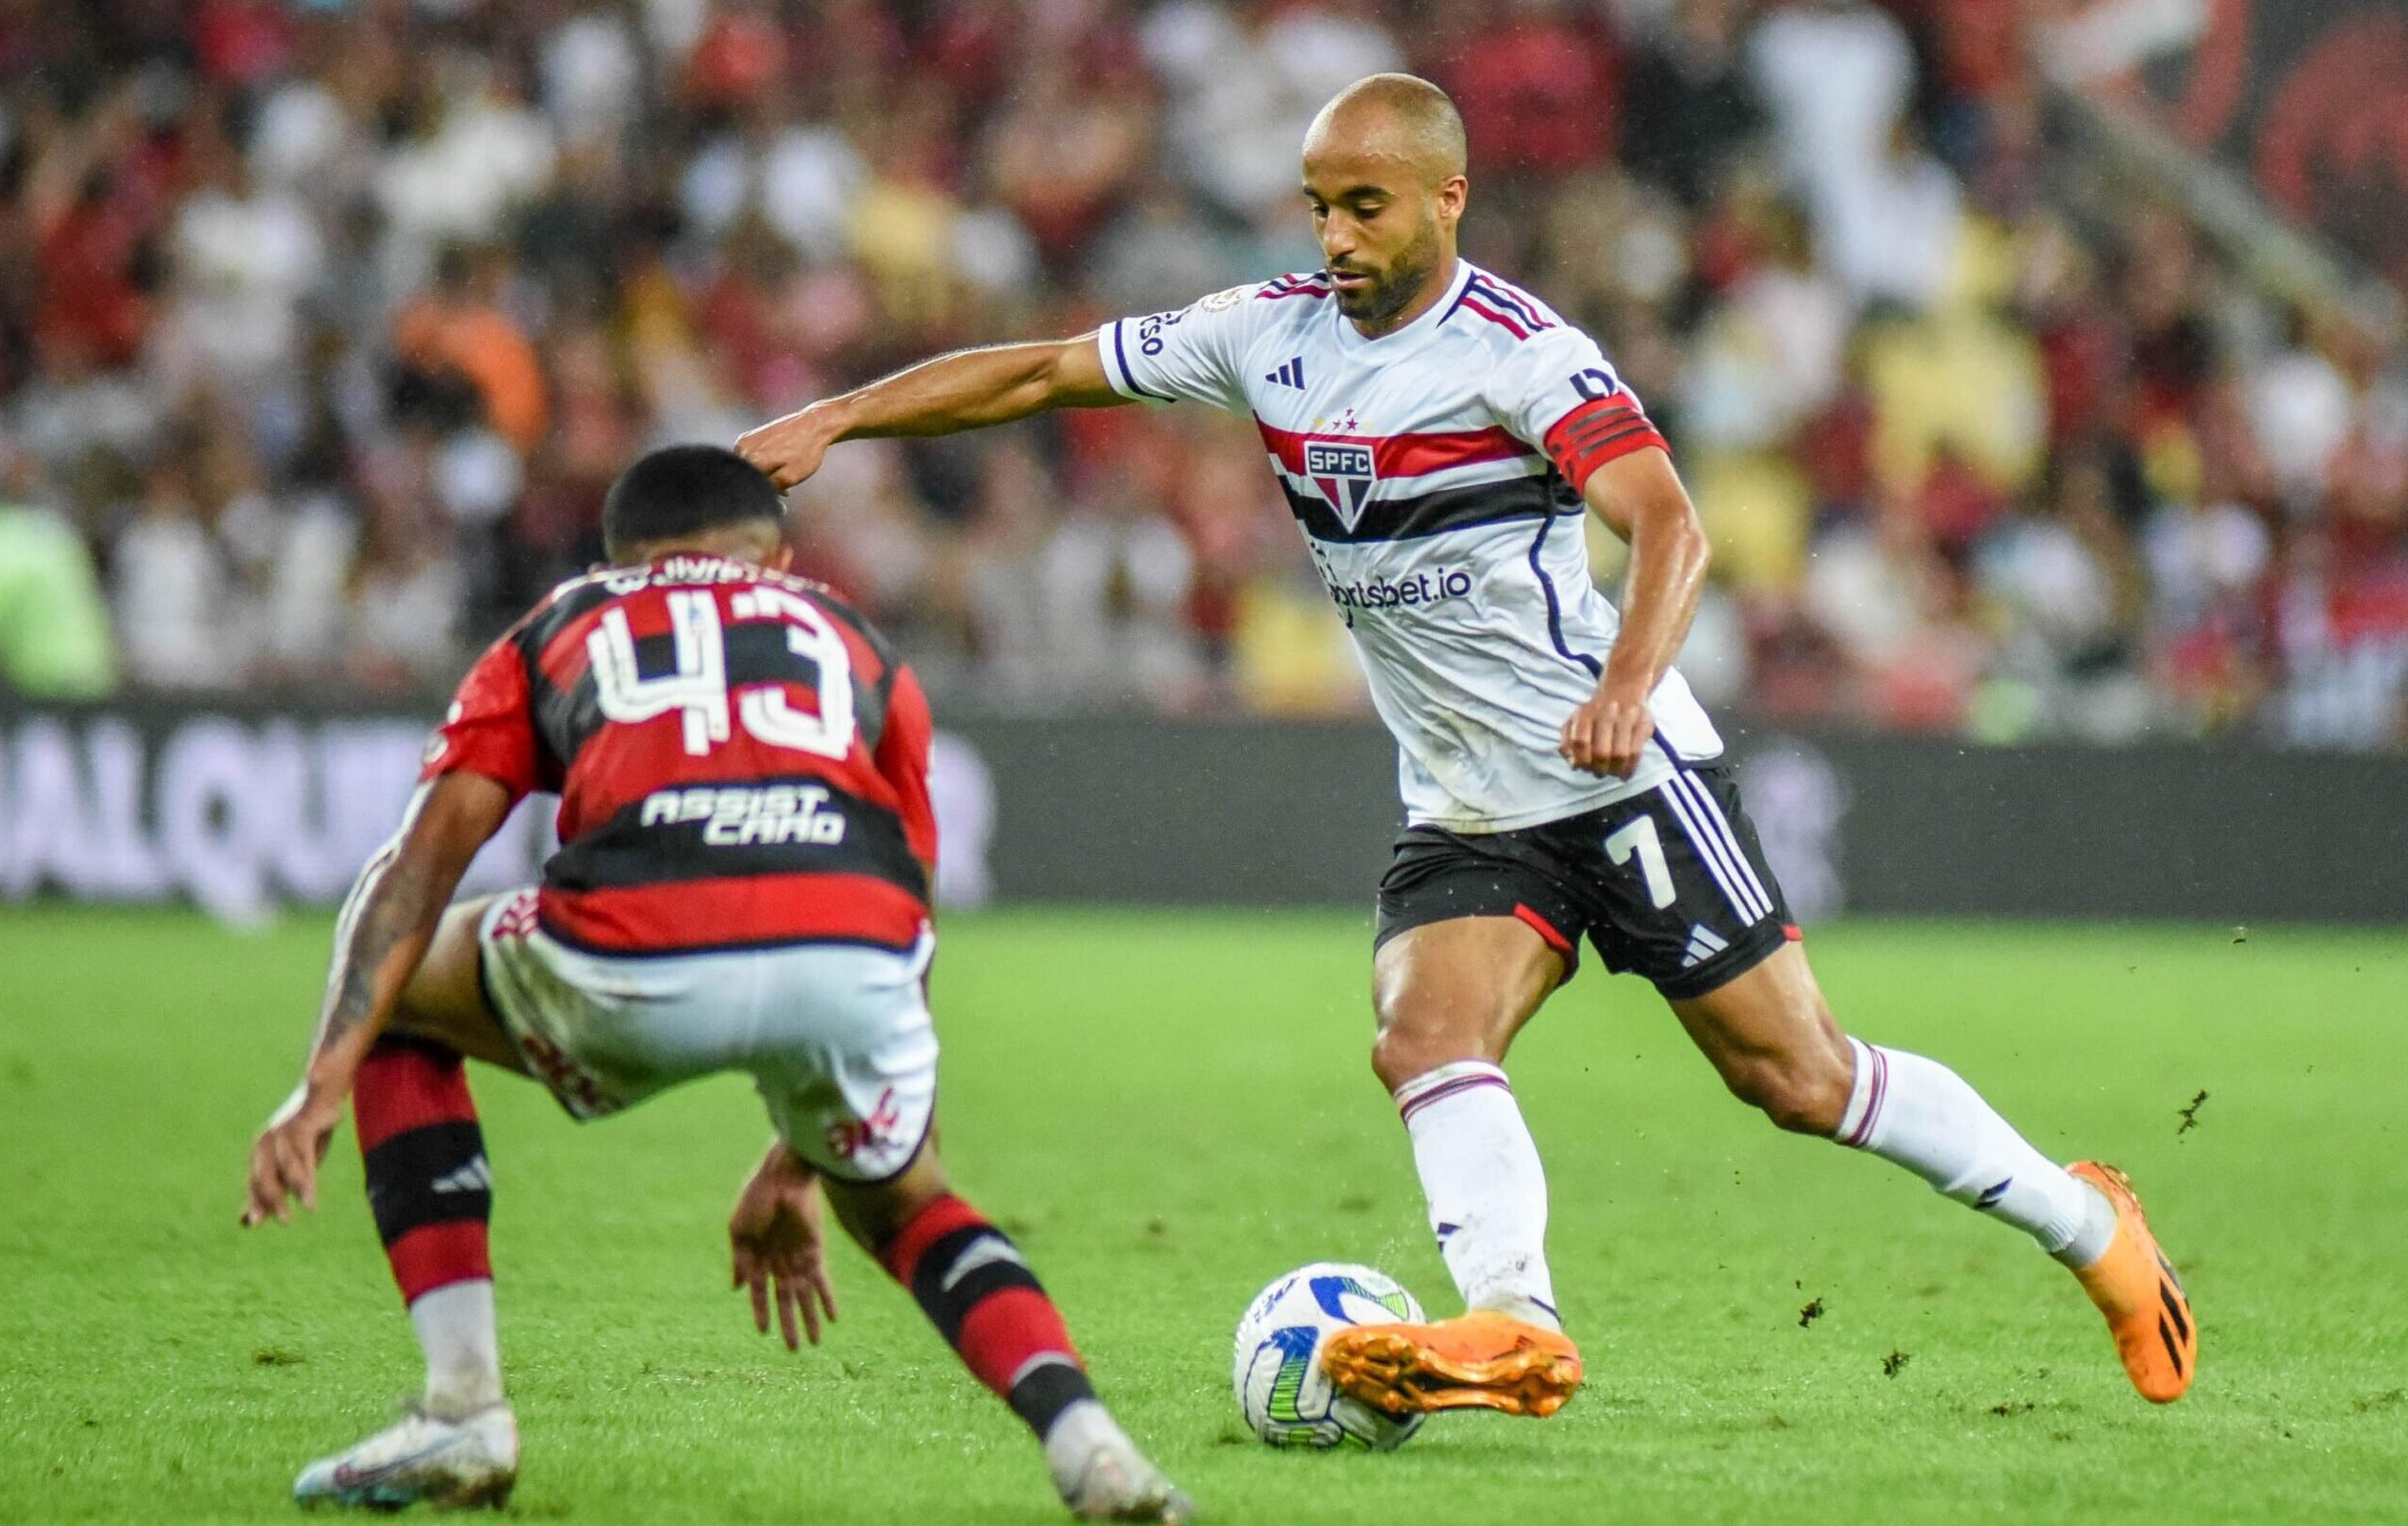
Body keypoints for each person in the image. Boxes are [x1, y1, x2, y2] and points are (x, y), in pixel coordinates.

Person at [736, 74, 2195, 1419]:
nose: (1333, 234)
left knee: (1801, 1083)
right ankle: (1514, 1320)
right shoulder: (1269, 334)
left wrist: (1632, 679)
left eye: (1362, 204)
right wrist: (842, 416)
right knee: (1422, 1035)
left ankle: (2092, 1228)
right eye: (1316, 203)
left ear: (1446, 201)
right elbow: (1046, 373)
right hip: (1467, 802)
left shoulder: (1520, 354)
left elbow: (1668, 521)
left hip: (1617, 771)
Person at [238, 444, 1192, 1521]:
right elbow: (908, 909)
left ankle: (463, 1407)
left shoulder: (560, 623)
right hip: (850, 951)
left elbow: (419, 860)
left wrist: (324, 1075)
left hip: (634, 949)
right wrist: (807, 1153)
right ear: (777, 557)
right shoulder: (858, 643)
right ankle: (1088, 1443)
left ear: (622, 557)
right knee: (906, 1198)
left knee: (404, 1004)